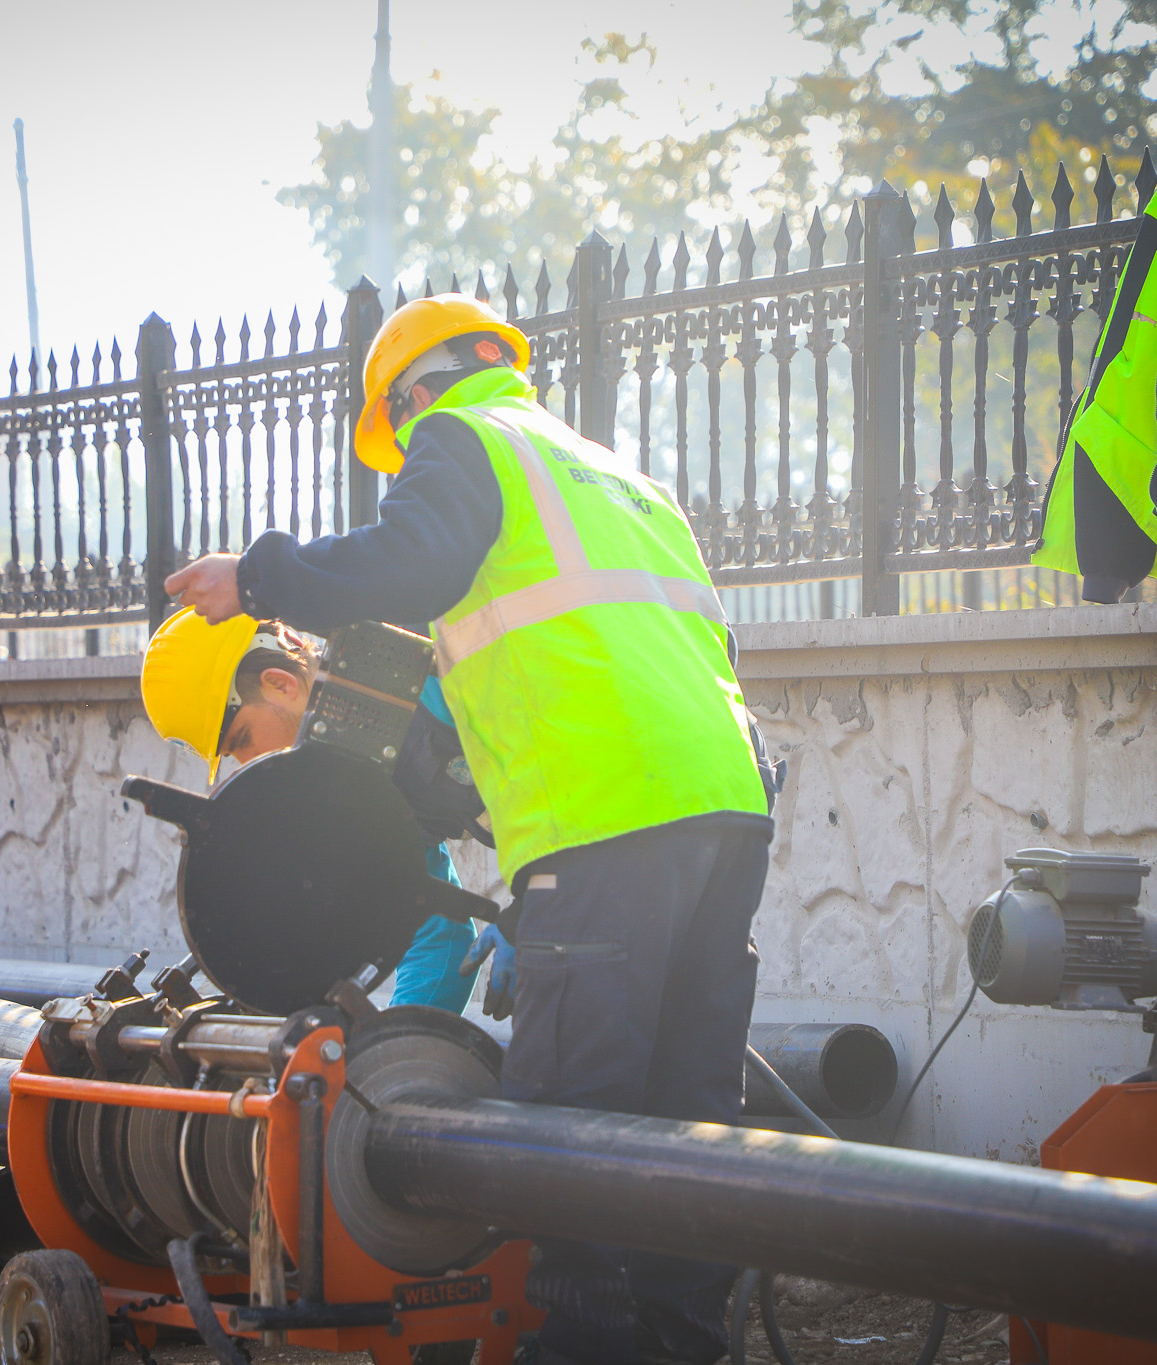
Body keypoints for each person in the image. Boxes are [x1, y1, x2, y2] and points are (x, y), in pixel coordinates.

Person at [164, 293, 778, 1365]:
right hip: (724, 806)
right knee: (686, 1123)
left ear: (412, 395)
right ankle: (686, 1350)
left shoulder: (464, 435)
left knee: (562, 1139)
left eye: (397, 433)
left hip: (603, 817)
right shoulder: (613, 475)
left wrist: (260, 577)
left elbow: (413, 562)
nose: (403, 452)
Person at [139, 607, 489, 1014]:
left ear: (280, 685)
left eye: (242, 739)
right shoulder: (354, 789)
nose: (246, 763)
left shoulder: (424, 671)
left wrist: (548, 894)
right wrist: (392, 1053)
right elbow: (439, 937)